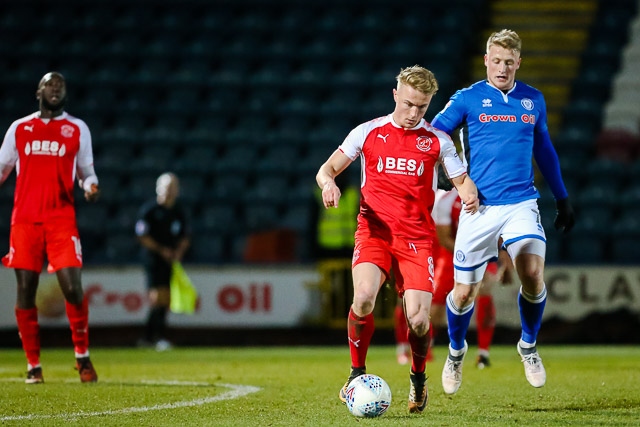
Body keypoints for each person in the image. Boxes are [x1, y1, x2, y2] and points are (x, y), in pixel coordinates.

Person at [316, 65, 479, 413]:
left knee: (420, 320)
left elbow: (462, 180)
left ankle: (418, 379)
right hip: (374, 232)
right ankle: (356, 373)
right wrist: (329, 183)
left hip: (417, 239)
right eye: (408, 104)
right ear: (395, 95)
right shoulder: (368, 132)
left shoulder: (437, 142)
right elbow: (326, 169)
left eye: (421, 107)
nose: (413, 113)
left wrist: (469, 195)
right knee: (362, 298)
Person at [430, 29, 575, 394]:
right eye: (496, 61)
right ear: (486, 61)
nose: (502, 68)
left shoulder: (533, 100)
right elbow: (434, 137)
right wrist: (457, 179)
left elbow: (544, 150)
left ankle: (528, 345)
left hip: (521, 203)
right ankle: (456, 352)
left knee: (531, 271)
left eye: (509, 62)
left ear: (518, 63)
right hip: (478, 208)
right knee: (464, 294)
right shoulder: (467, 98)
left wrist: (561, 197)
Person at [0, 71, 100, 384]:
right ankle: (33, 365)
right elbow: (2, 169)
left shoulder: (77, 128)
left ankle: (82, 357)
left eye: (61, 85)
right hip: (25, 221)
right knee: (26, 290)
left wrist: (91, 186)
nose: (55, 88)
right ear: (39, 91)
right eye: (50, 84)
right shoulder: (19, 128)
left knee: (72, 286)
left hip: (61, 219)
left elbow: (87, 172)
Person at [429, 188, 514, 369]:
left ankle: (483, 354)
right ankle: (426, 351)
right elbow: (444, 238)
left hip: (482, 253)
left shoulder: (488, 197)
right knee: (435, 309)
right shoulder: (445, 200)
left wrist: (505, 262)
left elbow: (499, 233)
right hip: (450, 255)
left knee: (484, 289)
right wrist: (467, 256)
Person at [135, 172, 191, 351]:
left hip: (170, 260)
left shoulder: (179, 211)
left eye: (173, 187)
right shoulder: (150, 210)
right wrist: (162, 250)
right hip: (153, 259)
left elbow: (185, 236)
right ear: (159, 189)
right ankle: (151, 337)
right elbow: (142, 235)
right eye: (168, 187)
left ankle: (154, 337)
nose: (170, 191)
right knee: (156, 297)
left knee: (166, 298)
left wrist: (178, 252)